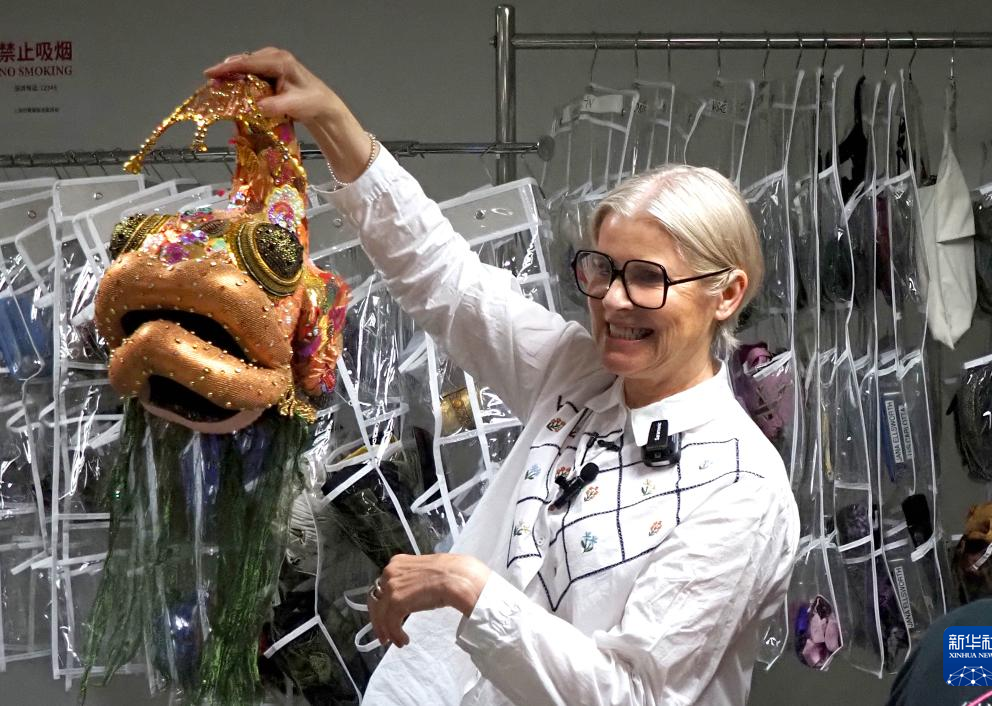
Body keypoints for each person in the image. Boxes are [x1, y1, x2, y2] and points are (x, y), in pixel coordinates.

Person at [206, 48, 800, 706]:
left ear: (726, 294)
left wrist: (467, 587)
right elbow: (445, 280)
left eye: (646, 278)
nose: (612, 301)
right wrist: (332, 120)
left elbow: (634, 694)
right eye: (602, 270)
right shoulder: (580, 376)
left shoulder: (740, 488)